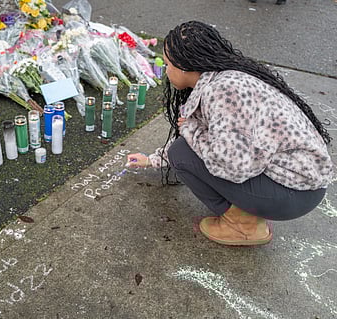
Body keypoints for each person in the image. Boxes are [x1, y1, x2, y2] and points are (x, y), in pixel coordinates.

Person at [126, 21, 333, 246]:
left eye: (167, 65)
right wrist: (153, 160)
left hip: (295, 193)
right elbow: (211, 135)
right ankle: (247, 216)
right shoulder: (222, 77)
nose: (166, 70)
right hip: (300, 183)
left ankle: (243, 226)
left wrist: (189, 129)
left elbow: (232, 167)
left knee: (182, 154)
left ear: (185, 66)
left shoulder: (222, 92)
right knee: (183, 149)